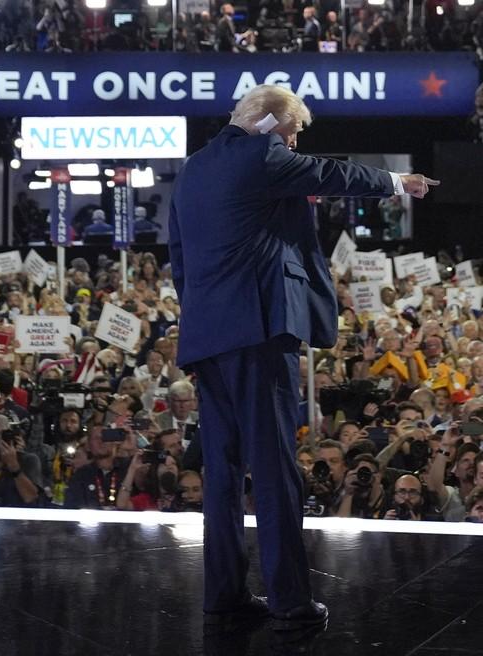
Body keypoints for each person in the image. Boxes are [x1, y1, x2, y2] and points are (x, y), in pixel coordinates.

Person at [169, 84, 439, 632]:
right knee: (273, 471)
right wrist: (397, 182)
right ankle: (289, 598)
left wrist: (202, 322)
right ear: (269, 125)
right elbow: (330, 174)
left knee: (220, 472)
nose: (294, 145)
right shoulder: (262, 155)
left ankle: (222, 593)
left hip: (207, 339)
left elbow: (178, 259)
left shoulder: (193, 168)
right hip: (257, 337)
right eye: (292, 133)